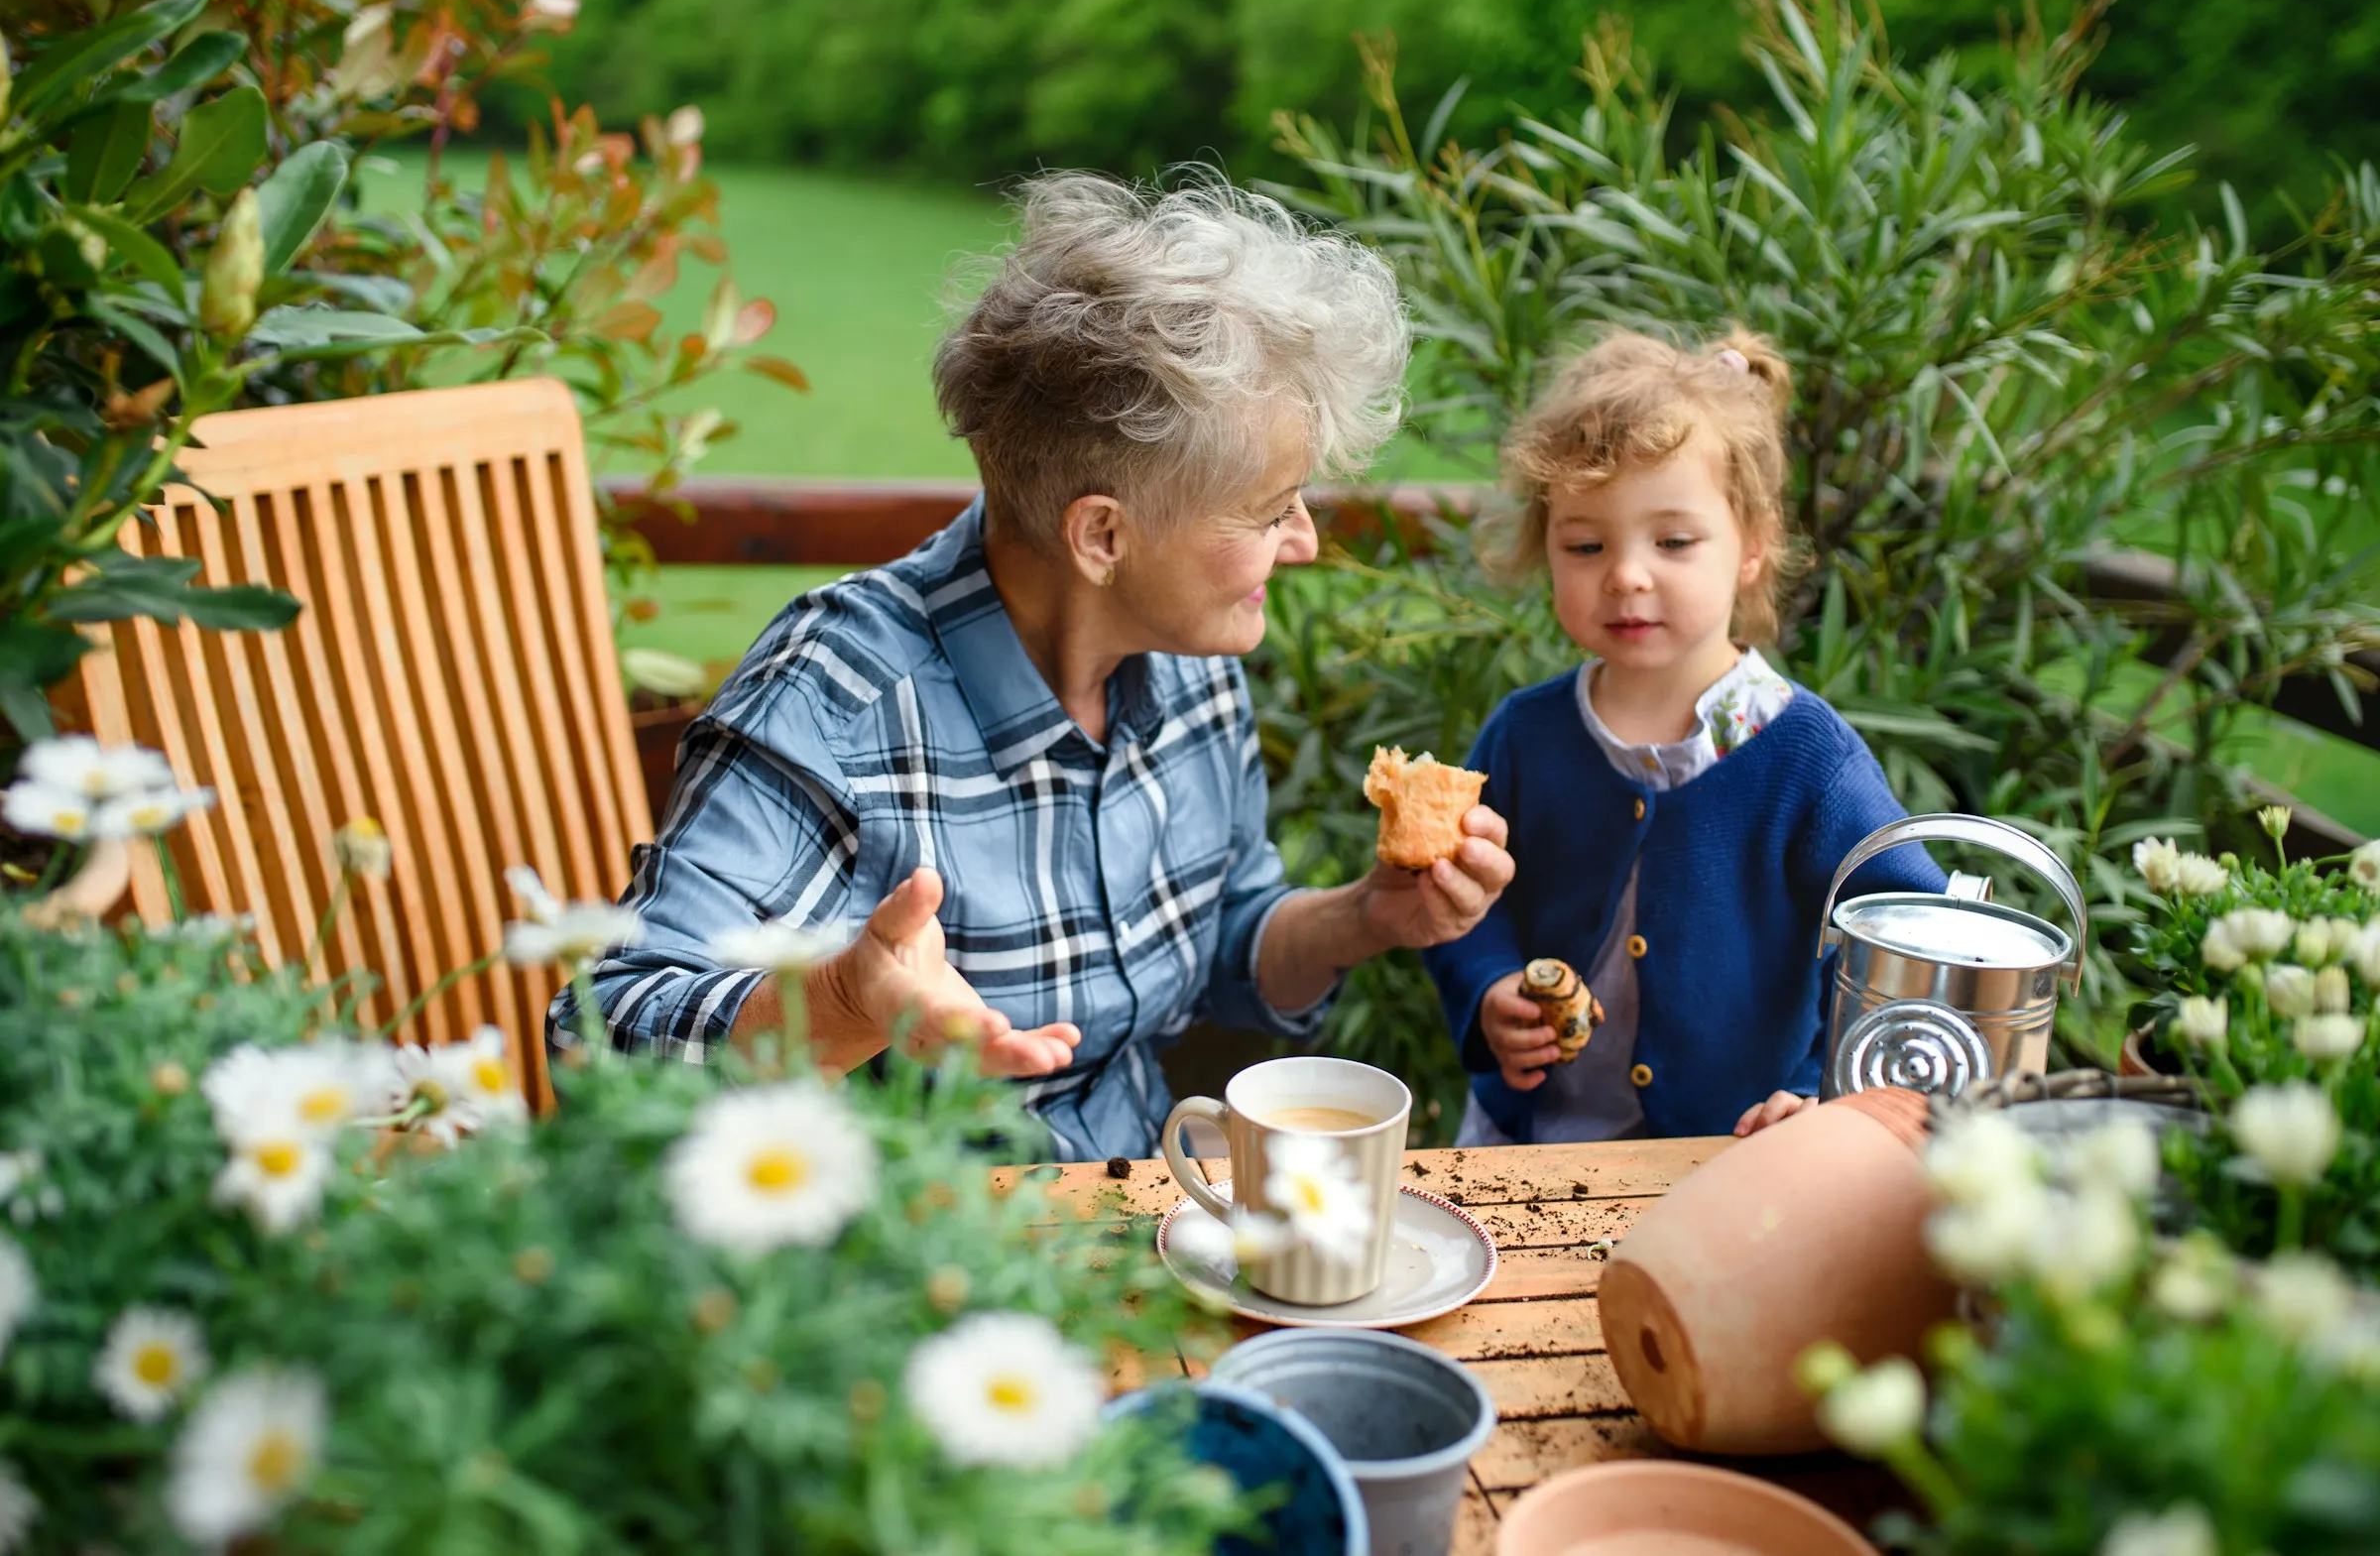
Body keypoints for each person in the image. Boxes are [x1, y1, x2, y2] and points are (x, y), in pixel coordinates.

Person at [562, 172, 1515, 1161]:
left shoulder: (1186, 659)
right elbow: (603, 1040)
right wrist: (843, 1004)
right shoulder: (836, 705)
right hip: (916, 1252)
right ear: (1104, 535)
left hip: (1143, 1208)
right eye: (1271, 510)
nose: (1306, 540)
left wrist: (1365, 915)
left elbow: (1228, 941)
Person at [1421, 328, 1942, 1146]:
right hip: (1524, 1149)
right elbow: (1460, 901)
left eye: (1673, 541)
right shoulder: (1527, 735)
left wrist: (1827, 1089)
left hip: (1727, 1158)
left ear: (1752, 544)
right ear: (1545, 547)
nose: (1627, 573)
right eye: (1586, 544)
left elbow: (1909, 932)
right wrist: (1487, 989)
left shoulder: (1803, 757)